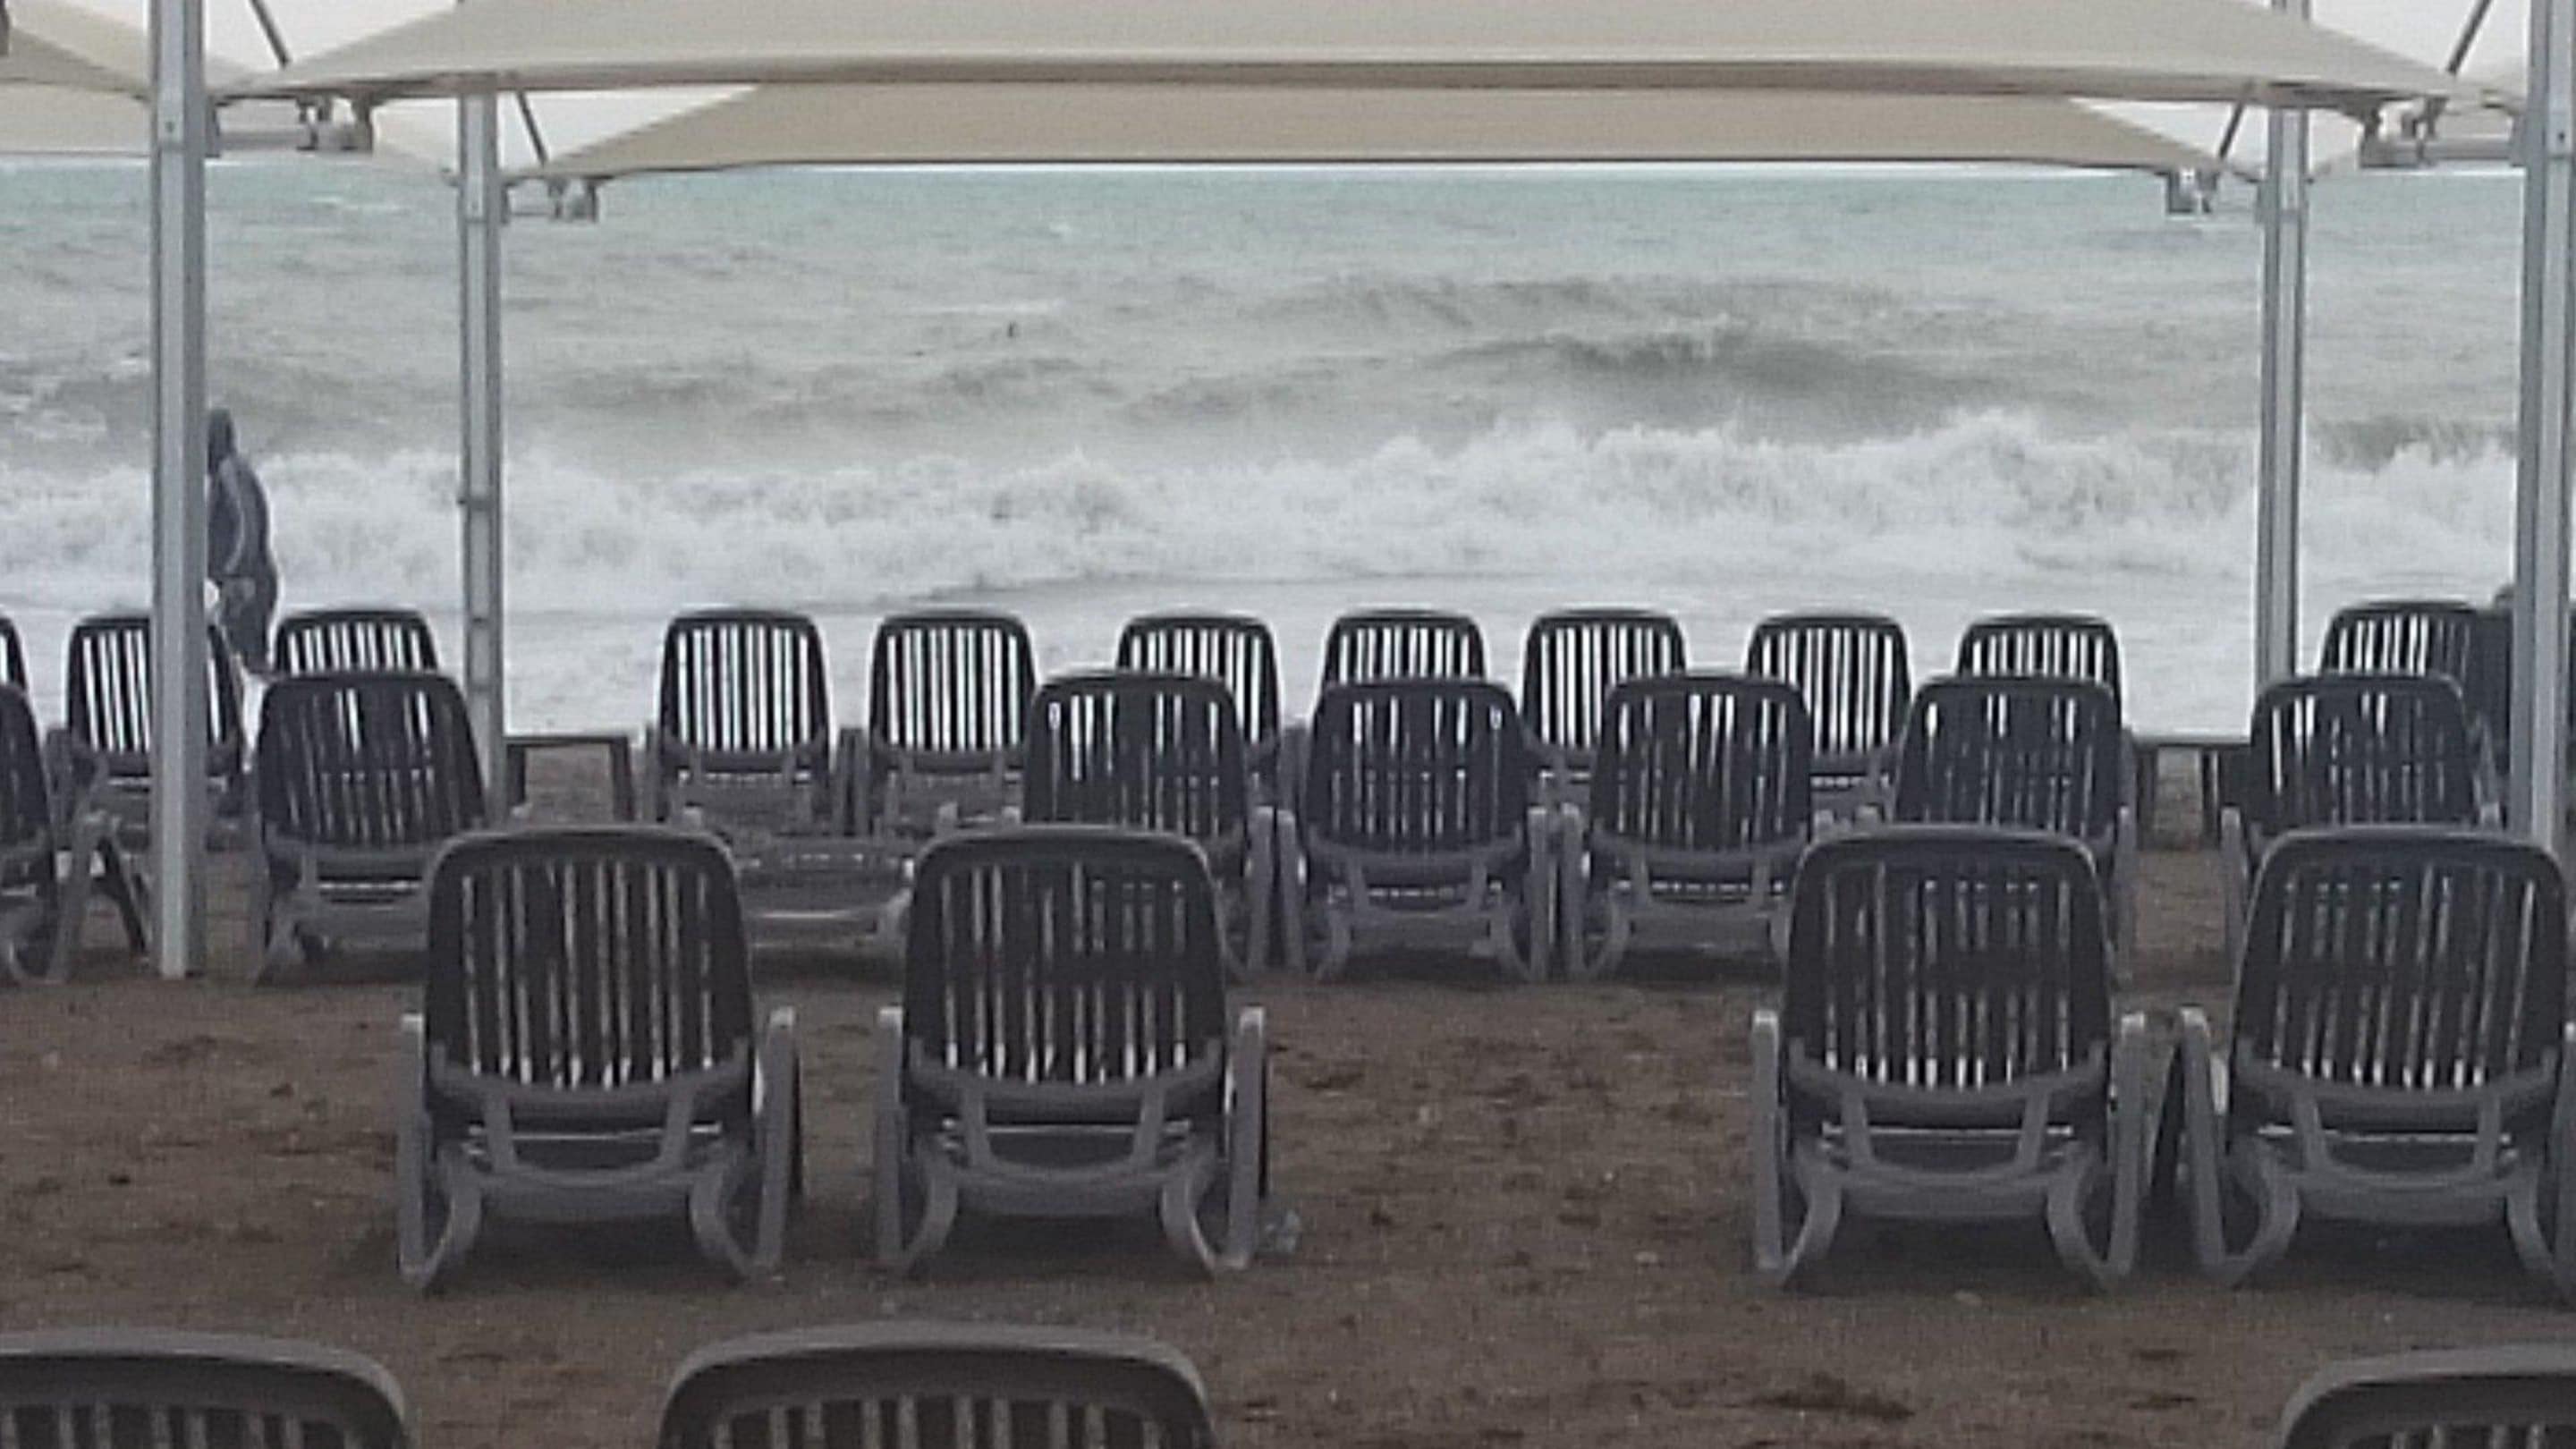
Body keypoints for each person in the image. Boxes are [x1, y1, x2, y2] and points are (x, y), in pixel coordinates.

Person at [207, 408, 278, 675]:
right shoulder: (232, 470)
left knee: (242, 661)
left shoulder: (230, 471)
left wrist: (234, 571)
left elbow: (248, 524)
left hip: (248, 584)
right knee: (244, 661)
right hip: (249, 582)